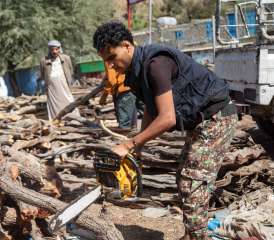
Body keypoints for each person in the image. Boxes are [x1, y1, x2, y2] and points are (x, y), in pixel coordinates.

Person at [93, 21, 238, 240]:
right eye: (106, 61)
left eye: (112, 57)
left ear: (127, 45)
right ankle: (193, 233)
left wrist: (129, 144)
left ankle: (197, 237)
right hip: (201, 121)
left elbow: (167, 118)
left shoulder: (155, 64)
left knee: (192, 181)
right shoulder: (135, 72)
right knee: (185, 177)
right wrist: (139, 146)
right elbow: (152, 110)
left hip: (217, 117)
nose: (110, 66)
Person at [39, 40, 79, 120]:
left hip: (64, 83)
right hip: (51, 86)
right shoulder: (44, 60)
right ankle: (57, 119)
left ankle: (74, 117)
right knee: (54, 104)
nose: (54, 51)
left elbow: (70, 70)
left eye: (56, 49)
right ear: (49, 50)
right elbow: (42, 74)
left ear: (59, 49)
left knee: (68, 99)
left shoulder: (66, 58)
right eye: (52, 49)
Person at [100, 64, 140, 129]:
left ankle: (125, 136)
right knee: (132, 121)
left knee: (125, 122)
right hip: (132, 88)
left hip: (124, 90)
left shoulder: (109, 59)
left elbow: (112, 80)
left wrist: (104, 96)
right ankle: (133, 135)